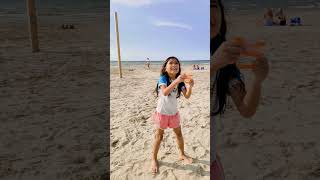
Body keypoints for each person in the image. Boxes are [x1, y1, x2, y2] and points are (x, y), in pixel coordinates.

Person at [211, 0, 269, 179]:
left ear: (221, 17)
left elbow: (246, 109)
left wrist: (257, 81)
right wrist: (213, 64)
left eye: (213, 5)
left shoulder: (226, 61)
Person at [151, 56, 194, 174]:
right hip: (162, 113)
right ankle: (154, 159)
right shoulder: (163, 78)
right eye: (171, 63)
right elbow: (165, 92)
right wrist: (177, 80)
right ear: (165, 67)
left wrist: (190, 86)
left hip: (174, 113)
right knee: (159, 137)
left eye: (176, 63)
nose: (174, 65)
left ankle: (182, 154)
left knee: (179, 134)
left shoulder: (180, 83)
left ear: (179, 67)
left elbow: (187, 96)